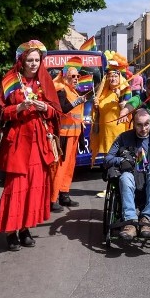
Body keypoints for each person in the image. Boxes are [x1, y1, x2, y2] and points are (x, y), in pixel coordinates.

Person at [0, 40, 62, 251]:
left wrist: (45, 108)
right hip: (18, 141)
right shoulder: (10, 81)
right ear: (21, 61)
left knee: (34, 187)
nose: (33, 64)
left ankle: (25, 229)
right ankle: (11, 231)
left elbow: (56, 113)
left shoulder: (44, 80)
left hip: (39, 143)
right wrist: (18, 108)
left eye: (37, 60)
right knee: (16, 187)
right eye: (29, 60)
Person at [104, 108, 150, 240]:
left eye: (146, 124)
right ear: (133, 124)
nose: (143, 128)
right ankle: (130, 223)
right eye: (139, 125)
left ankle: (147, 221)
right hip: (131, 173)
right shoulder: (123, 138)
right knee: (125, 177)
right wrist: (121, 160)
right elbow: (107, 159)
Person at [50, 57, 88, 212]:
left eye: (78, 76)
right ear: (64, 76)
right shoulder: (60, 88)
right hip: (64, 135)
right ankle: (52, 199)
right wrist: (78, 102)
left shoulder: (73, 90)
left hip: (74, 134)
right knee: (59, 167)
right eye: (73, 76)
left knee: (70, 167)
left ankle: (64, 194)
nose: (76, 78)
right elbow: (62, 109)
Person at [89, 52, 132, 168]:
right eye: (110, 76)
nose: (112, 78)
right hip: (105, 134)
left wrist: (119, 98)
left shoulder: (125, 90)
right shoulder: (104, 92)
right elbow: (98, 112)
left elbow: (127, 109)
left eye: (115, 76)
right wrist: (96, 105)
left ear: (120, 77)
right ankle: (110, 183)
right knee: (107, 162)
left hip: (119, 134)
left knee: (119, 161)